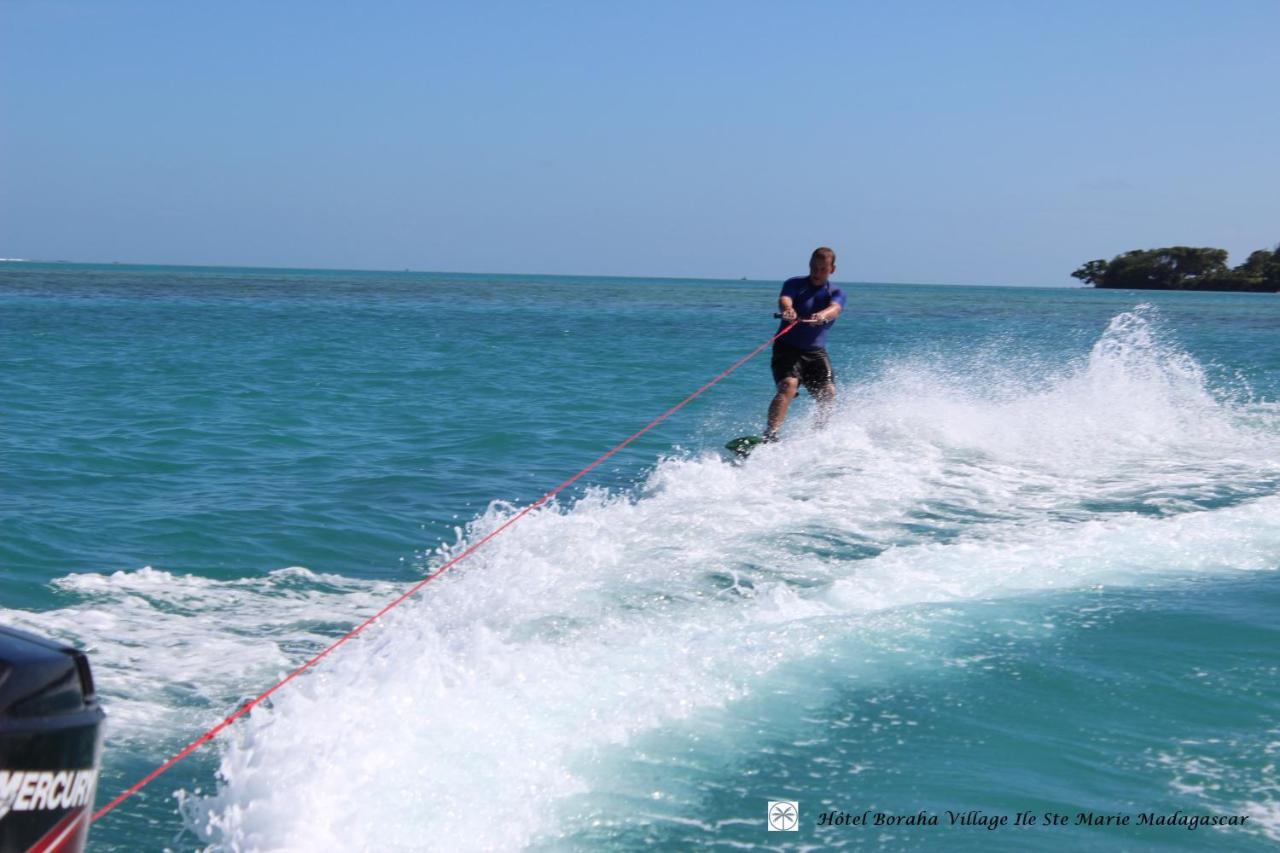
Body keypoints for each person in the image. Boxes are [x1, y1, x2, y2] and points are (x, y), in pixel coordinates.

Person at [764, 247, 846, 441]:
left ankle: (818, 435)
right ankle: (770, 435)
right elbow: (785, 299)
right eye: (814, 268)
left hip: (815, 352)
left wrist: (822, 315)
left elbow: (835, 309)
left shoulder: (836, 292)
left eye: (823, 269)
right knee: (788, 385)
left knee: (828, 393)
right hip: (787, 348)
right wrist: (788, 310)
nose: (817, 273)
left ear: (832, 270)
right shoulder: (794, 284)